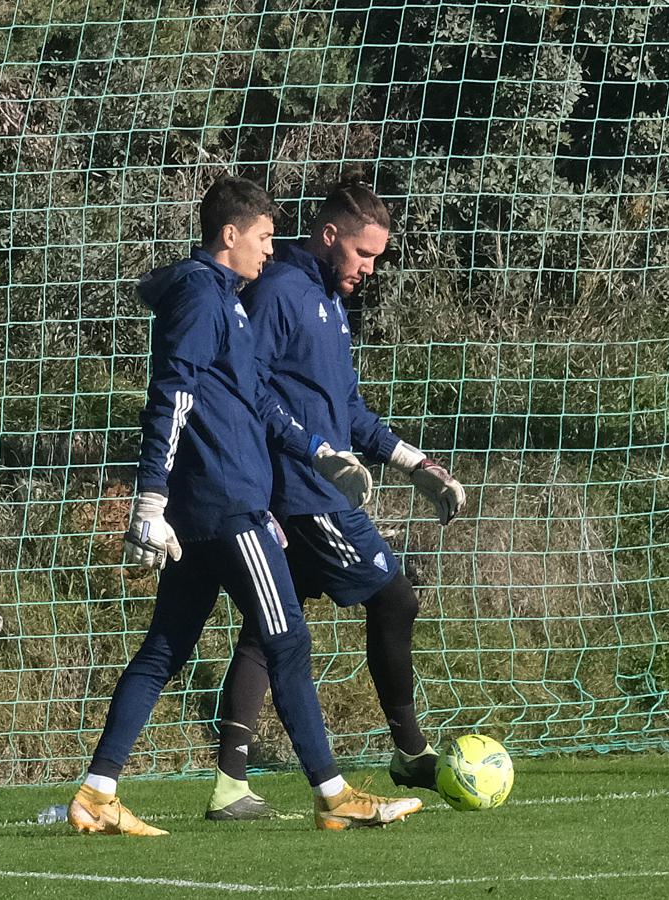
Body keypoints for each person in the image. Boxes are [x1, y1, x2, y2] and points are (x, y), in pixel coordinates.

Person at [67, 176, 423, 835]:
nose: (270, 250)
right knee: (287, 639)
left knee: (164, 649)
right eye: (263, 237)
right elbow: (170, 397)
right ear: (230, 236)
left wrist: (319, 452)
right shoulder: (203, 299)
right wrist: (150, 498)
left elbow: (257, 399)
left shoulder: (227, 300)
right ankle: (333, 793)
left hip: (214, 508)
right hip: (228, 505)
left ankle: (96, 791)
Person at [202, 180, 466, 822]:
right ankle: (408, 751)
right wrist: (270, 483)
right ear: (329, 237)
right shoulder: (278, 293)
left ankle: (229, 784)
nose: (369, 270)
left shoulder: (327, 299)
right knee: (393, 595)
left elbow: (346, 407)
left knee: (269, 633)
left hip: (317, 489)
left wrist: (414, 463)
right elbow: (247, 391)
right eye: (363, 255)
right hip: (303, 495)